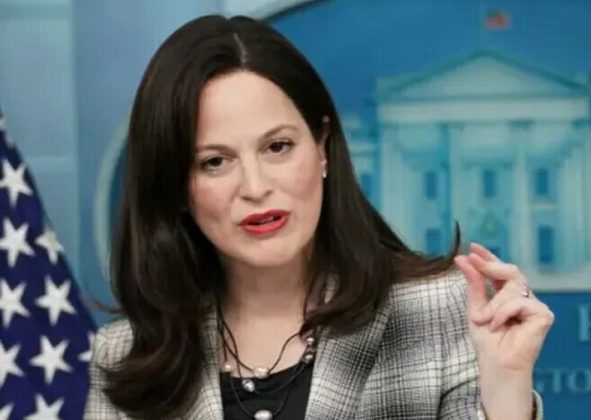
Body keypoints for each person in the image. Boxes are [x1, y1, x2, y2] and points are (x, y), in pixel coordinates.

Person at [84, 14, 554, 420]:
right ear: (177, 187)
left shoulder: (436, 310)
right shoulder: (126, 355)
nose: (255, 187)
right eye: (215, 162)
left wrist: (506, 391)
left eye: (277, 147)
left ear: (322, 148)